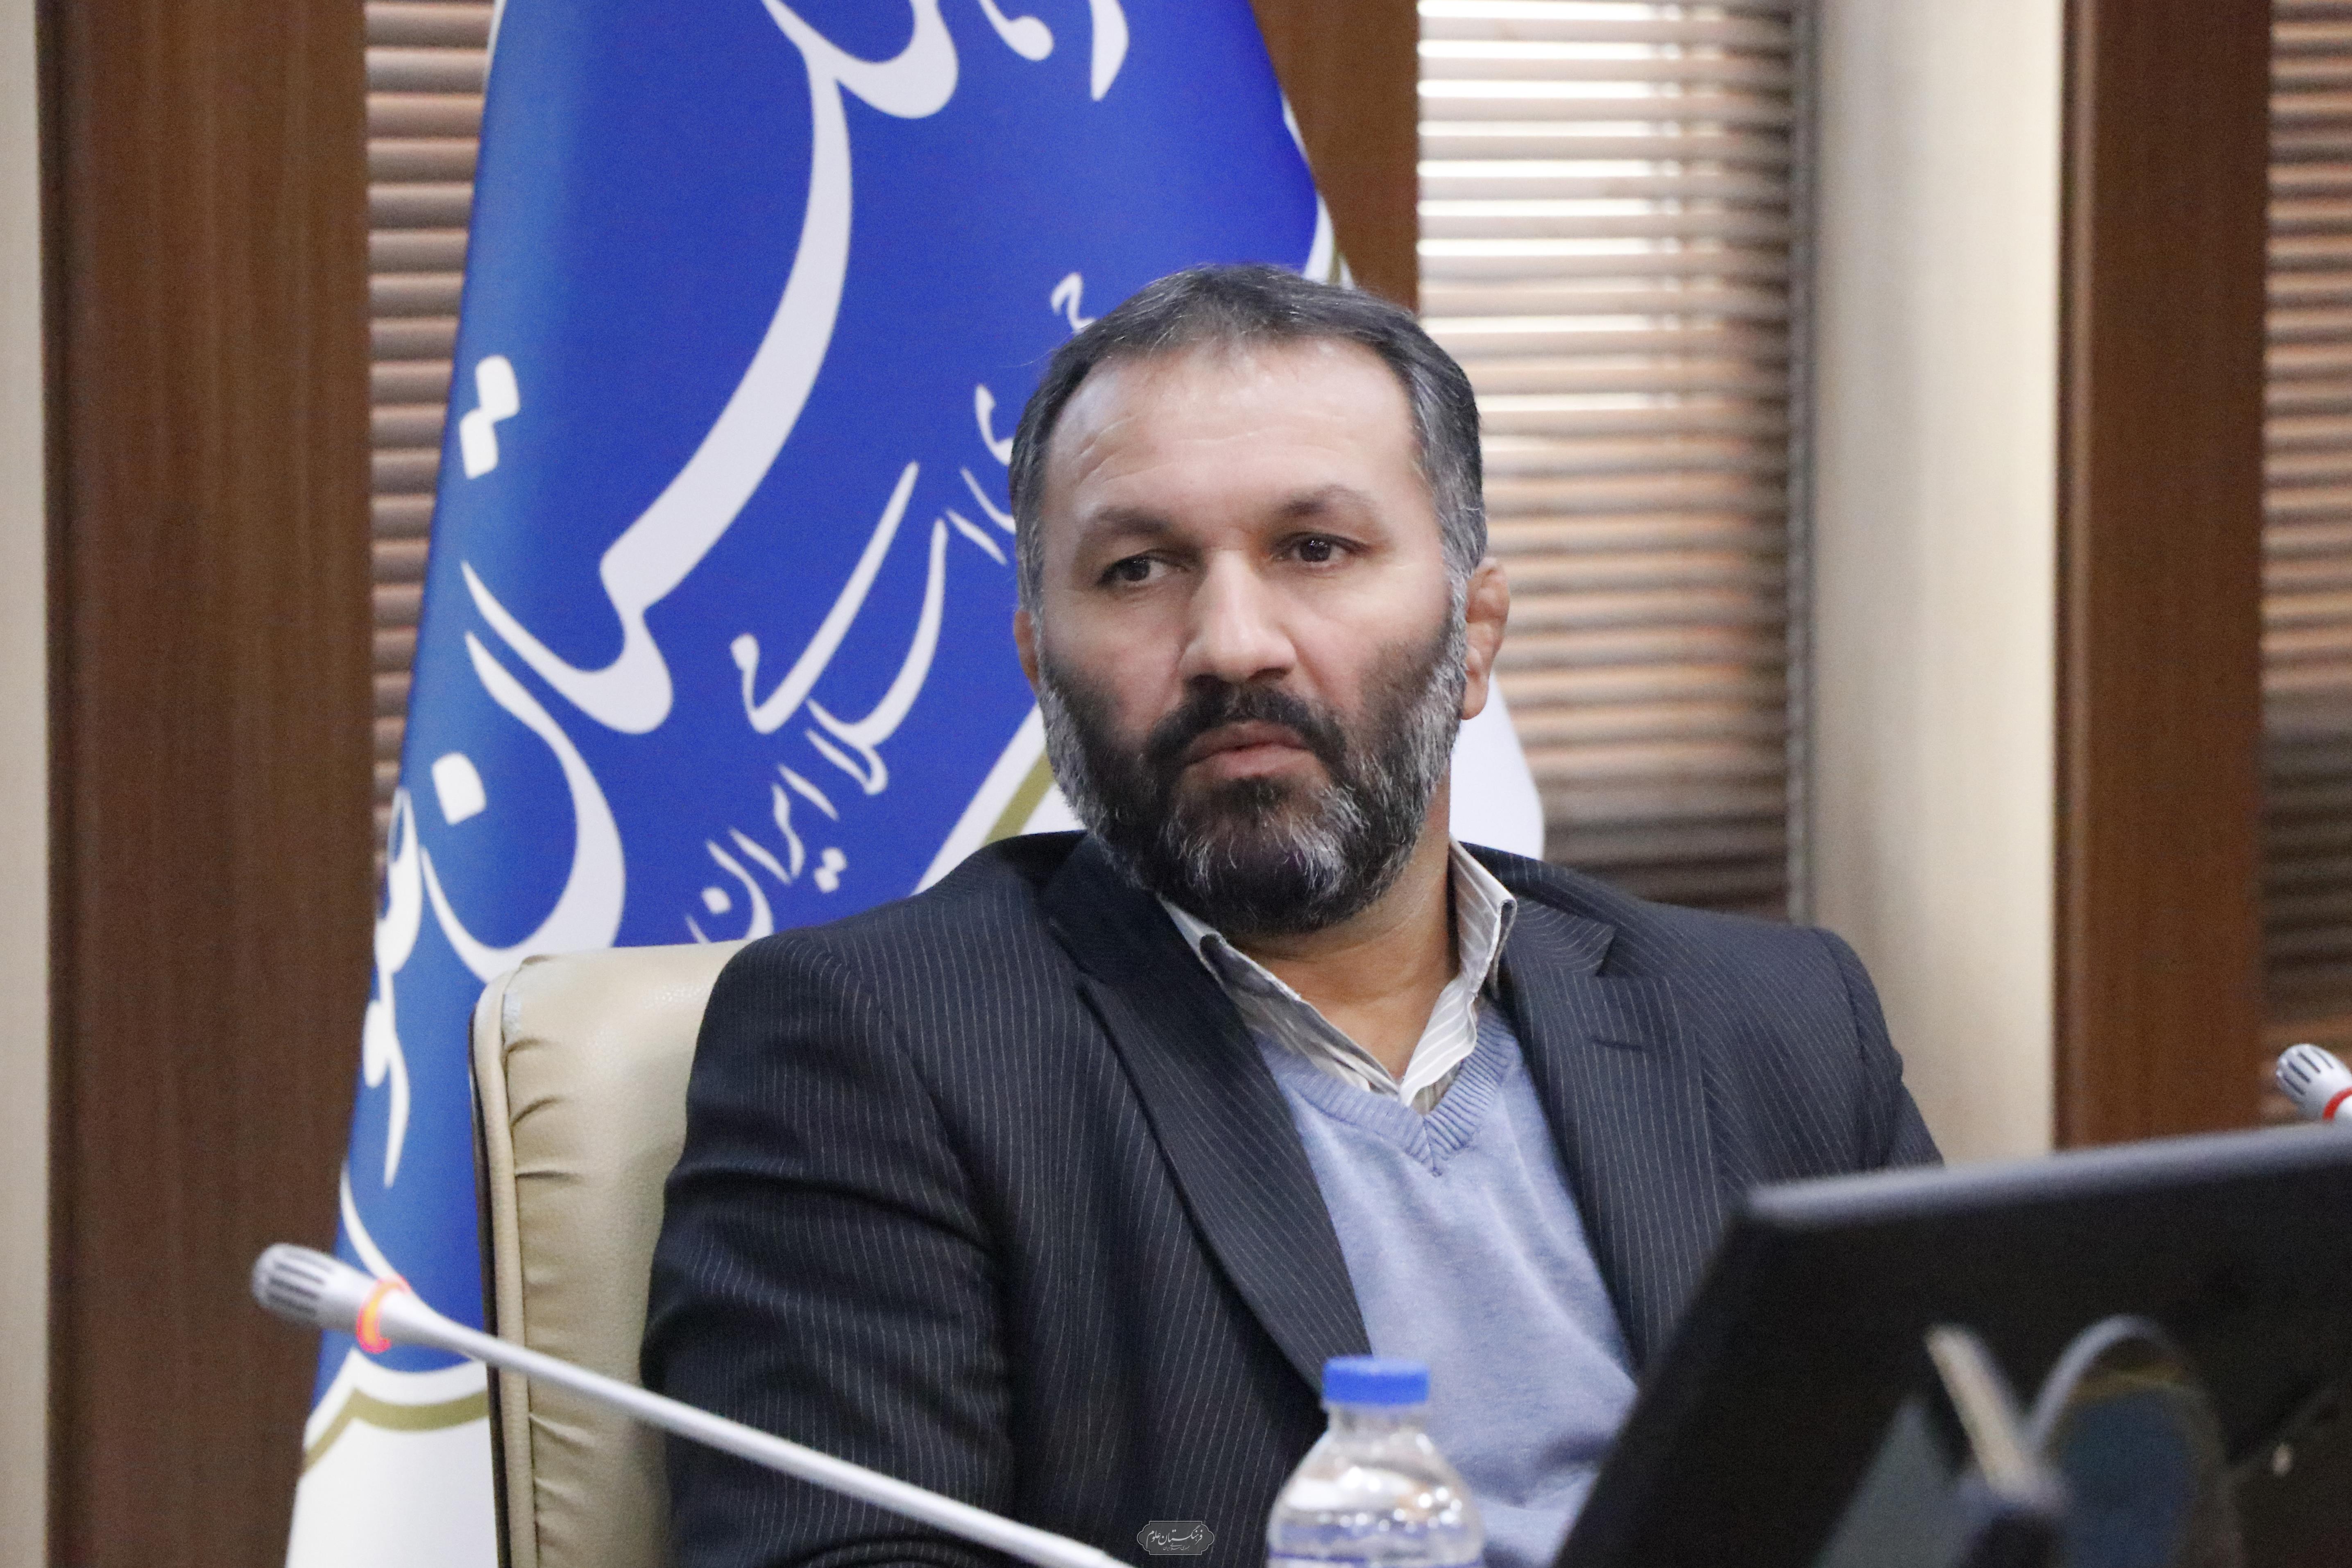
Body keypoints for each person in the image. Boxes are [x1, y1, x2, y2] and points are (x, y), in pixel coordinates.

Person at [642, 265, 1938, 1568]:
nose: (1232, 643)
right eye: (1138, 568)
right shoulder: (882, 1044)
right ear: (1040, 662)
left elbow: (1976, 1493)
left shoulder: (1776, 1019)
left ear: (1475, 633)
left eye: (1315, 549)